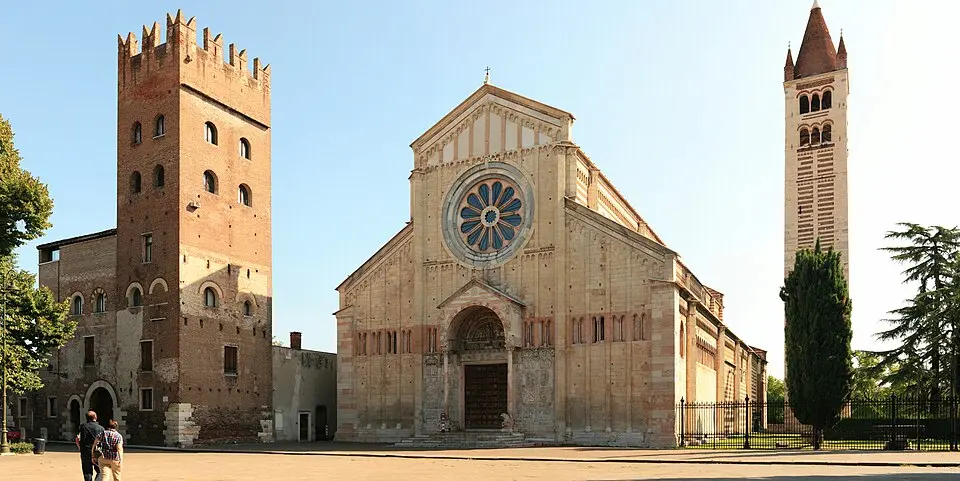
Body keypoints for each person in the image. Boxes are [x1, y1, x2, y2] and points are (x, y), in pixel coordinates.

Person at [76, 410, 104, 481]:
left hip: (86, 451)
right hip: (97, 451)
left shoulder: (82, 427)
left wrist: (80, 448)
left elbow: (79, 439)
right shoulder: (100, 428)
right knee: (100, 470)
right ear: (95, 417)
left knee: (87, 471)